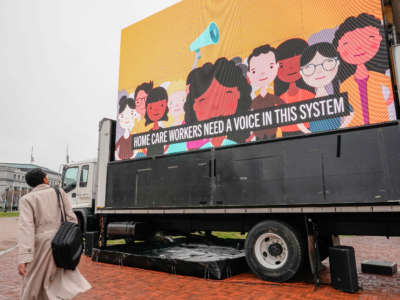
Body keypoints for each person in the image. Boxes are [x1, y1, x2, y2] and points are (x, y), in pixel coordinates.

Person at [18, 168, 91, 300]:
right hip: (61, 243)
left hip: (40, 246)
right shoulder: (59, 192)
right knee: (58, 283)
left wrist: (24, 258)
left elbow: (26, 228)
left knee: (35, 284)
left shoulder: (26, 199)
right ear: (45, 179)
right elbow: (71, 218)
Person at [333, 13, 394, 127]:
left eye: (369, 38)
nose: (358, 48)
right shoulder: (344, 86)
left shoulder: (384, 80)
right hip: (354, 134)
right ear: (338, 48)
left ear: (380, 38)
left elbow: (391, 105)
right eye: (347, 43)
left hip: (383, 129)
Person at [184, 57, 252, 149]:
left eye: (227, 94)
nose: (215, 106)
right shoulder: (197, 142)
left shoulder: (244, 135)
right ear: (194, 106)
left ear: (239, 94)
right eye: (203, 101)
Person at [300, 42, 353, 132]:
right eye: (309, 67)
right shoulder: (308, 105)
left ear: (337, 63)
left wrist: (340, 129)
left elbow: (350, 114)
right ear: (301, 72)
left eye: (328, 62)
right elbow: (299, 121)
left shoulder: (337, 100)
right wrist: (308, 132)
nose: (319, 71)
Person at [275, 38, 315, 136]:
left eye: (295, 62)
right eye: (282, 65)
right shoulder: (279, 100)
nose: (290, 68)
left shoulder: (309, 95)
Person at [246, 44, 285, 141]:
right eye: (255, 71)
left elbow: (285, 109)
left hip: (273, 135)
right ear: (249, 75)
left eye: (270, 67)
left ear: (277, 66)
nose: (262, 73)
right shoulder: (254, 101)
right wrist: (250, 137)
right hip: (258, 138)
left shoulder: (273, 98)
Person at [115, 95, 137, 160]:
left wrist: (133, 156)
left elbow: (137, 148)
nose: (127, 118)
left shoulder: (132, 137)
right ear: (119, 117)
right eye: (123, 116)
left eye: (131, 113)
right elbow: (115, 148)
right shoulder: (121, 138)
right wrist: (118, 158)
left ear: (135, 115)